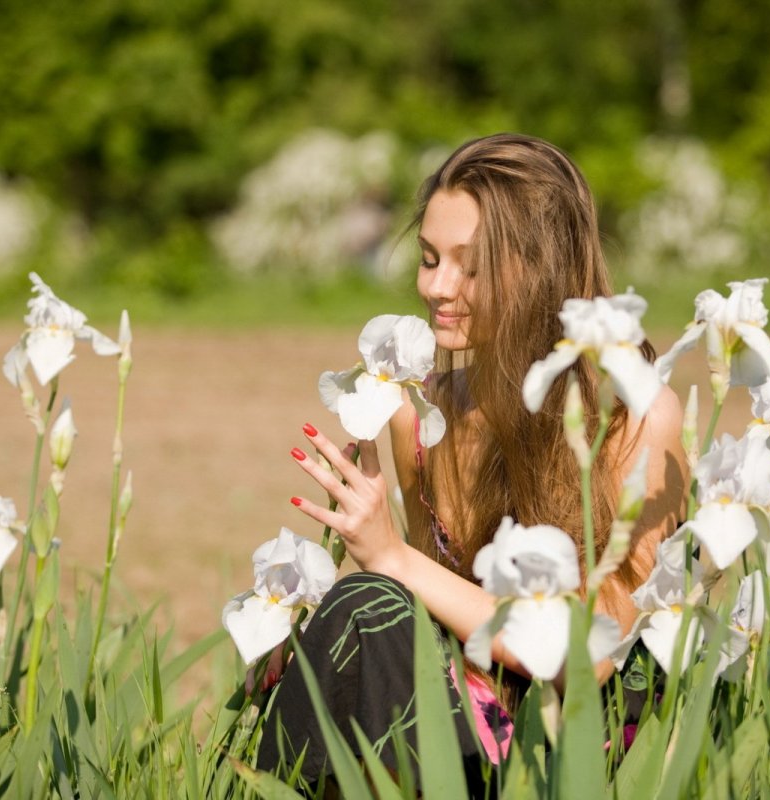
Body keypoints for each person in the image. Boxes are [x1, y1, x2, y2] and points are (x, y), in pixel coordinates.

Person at [256, 133, 688, 784]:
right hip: (463, 719)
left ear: (540, 268)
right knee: (356, 613)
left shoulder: (635, 417)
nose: (436, 285)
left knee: (367, 601)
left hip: (579, 746)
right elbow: (426, 626)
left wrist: (390, 556)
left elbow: (591, 656)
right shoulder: (424, 415)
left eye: (469, 264)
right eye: (429, 258)